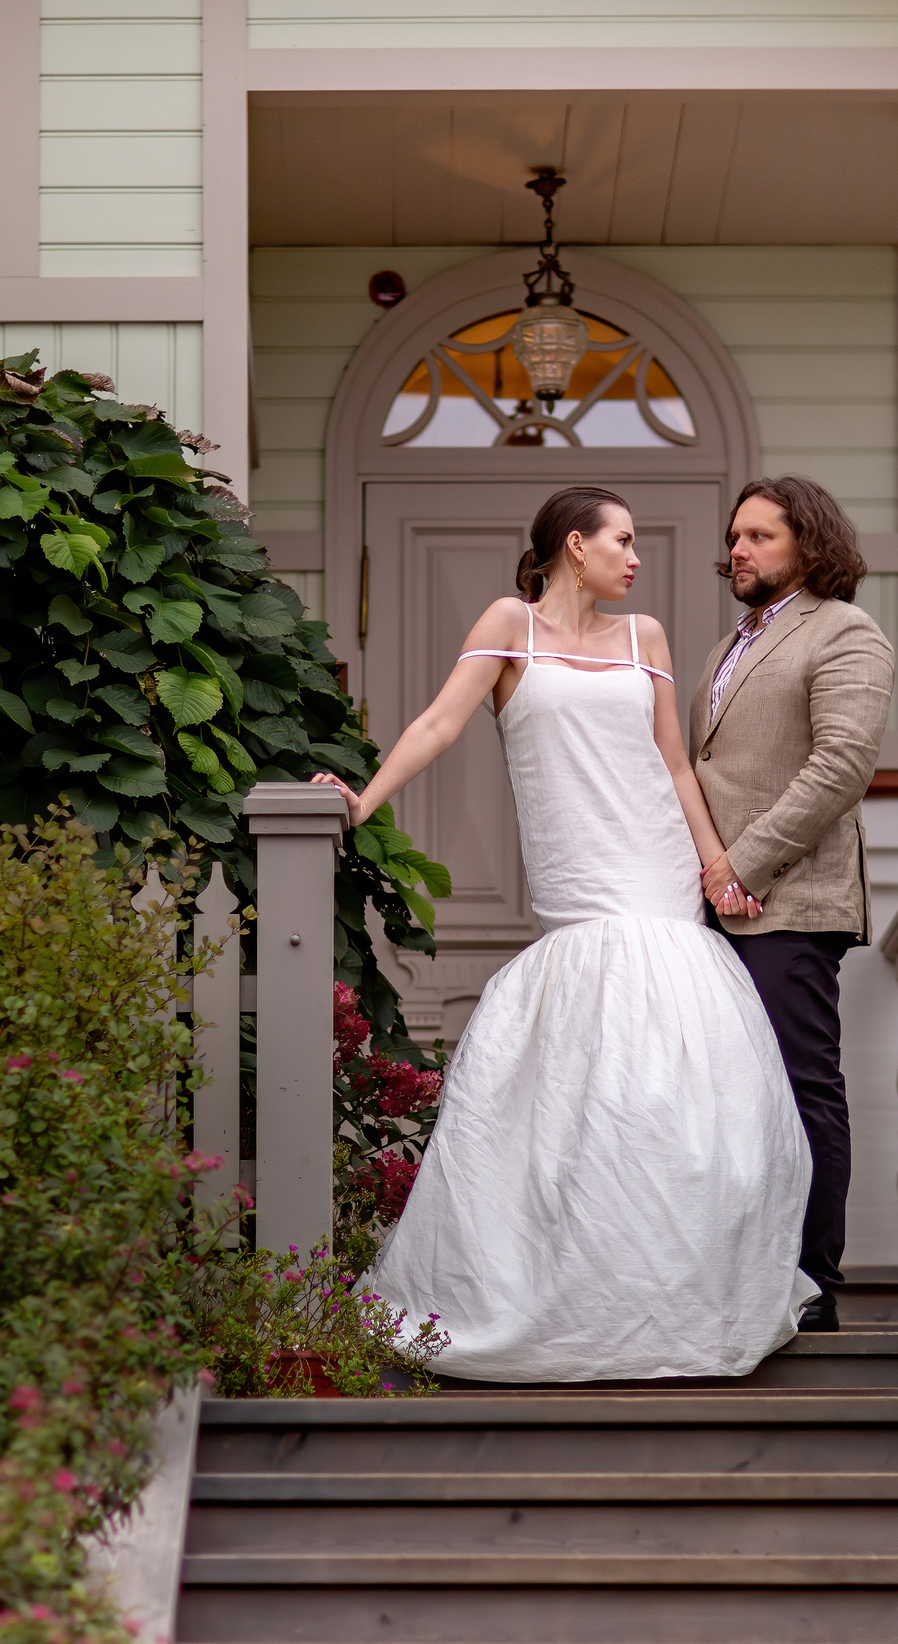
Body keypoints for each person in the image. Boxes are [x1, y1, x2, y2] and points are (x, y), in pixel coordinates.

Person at [315, 486, 818, 1383]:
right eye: (620, 540)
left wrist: (719, 865)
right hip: (579, 878)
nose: (636, 557)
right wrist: (363, 798)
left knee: (667, 1084)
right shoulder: (511, 623)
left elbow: (673, 763)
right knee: (581, 1083)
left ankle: (672, 1290)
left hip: (656, 870)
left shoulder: (647, 638)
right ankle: (570, 1292)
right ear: (572, 546)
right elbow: (439, 720)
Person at [687, 476, 895, 1334]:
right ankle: (740, 1272)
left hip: (791, 902)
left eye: (760, 536)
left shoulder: (846, 631)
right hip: (711, 905)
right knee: (724, 1098)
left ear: (809, 545)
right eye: (735, 536)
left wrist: (745, 863)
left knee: (802, 1086)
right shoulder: (725, 647)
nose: (738, 549)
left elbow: (842, 766)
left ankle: (813, 1280)